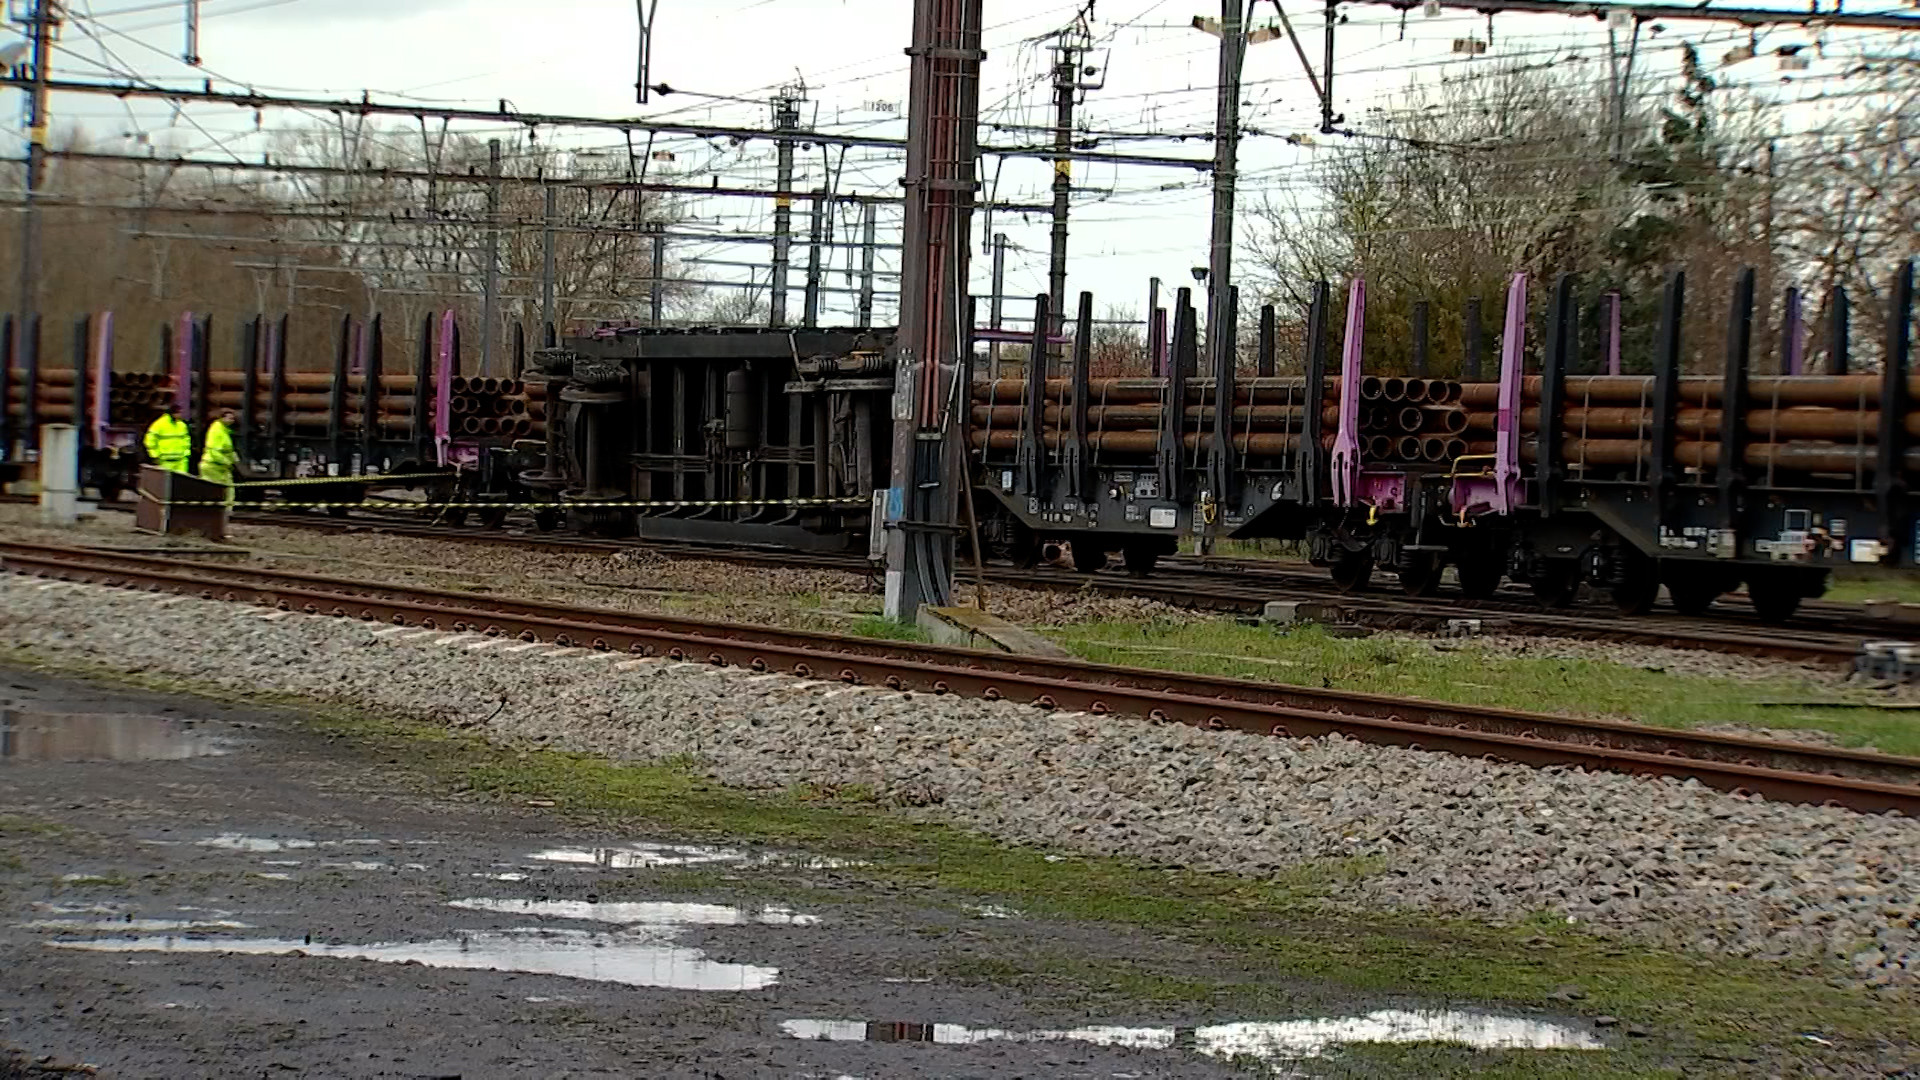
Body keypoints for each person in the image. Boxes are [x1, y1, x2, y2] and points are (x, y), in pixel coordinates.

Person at [199, 409, 240, 504]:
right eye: (229, 418)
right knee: (213, 491)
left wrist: (234, 459)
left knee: (228, 490)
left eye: (233, 419)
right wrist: (227, 461)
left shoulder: (225, 430)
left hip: (221, 467)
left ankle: (226, 511)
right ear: (222, 418)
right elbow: (213, 450)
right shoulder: (216, 430)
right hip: (213, 466)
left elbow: (227, 449)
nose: (232, 421)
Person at [142, 403, 191, 474]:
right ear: (172, 413)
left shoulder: (182, 425)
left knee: (181, 481)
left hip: (181, 460)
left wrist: (186, 452)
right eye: (178, 413)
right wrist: (154, 455)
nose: (180, 415)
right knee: (166, 482)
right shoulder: (159, 424)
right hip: (165, 461)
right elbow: (149, 440)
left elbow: (186, 439)